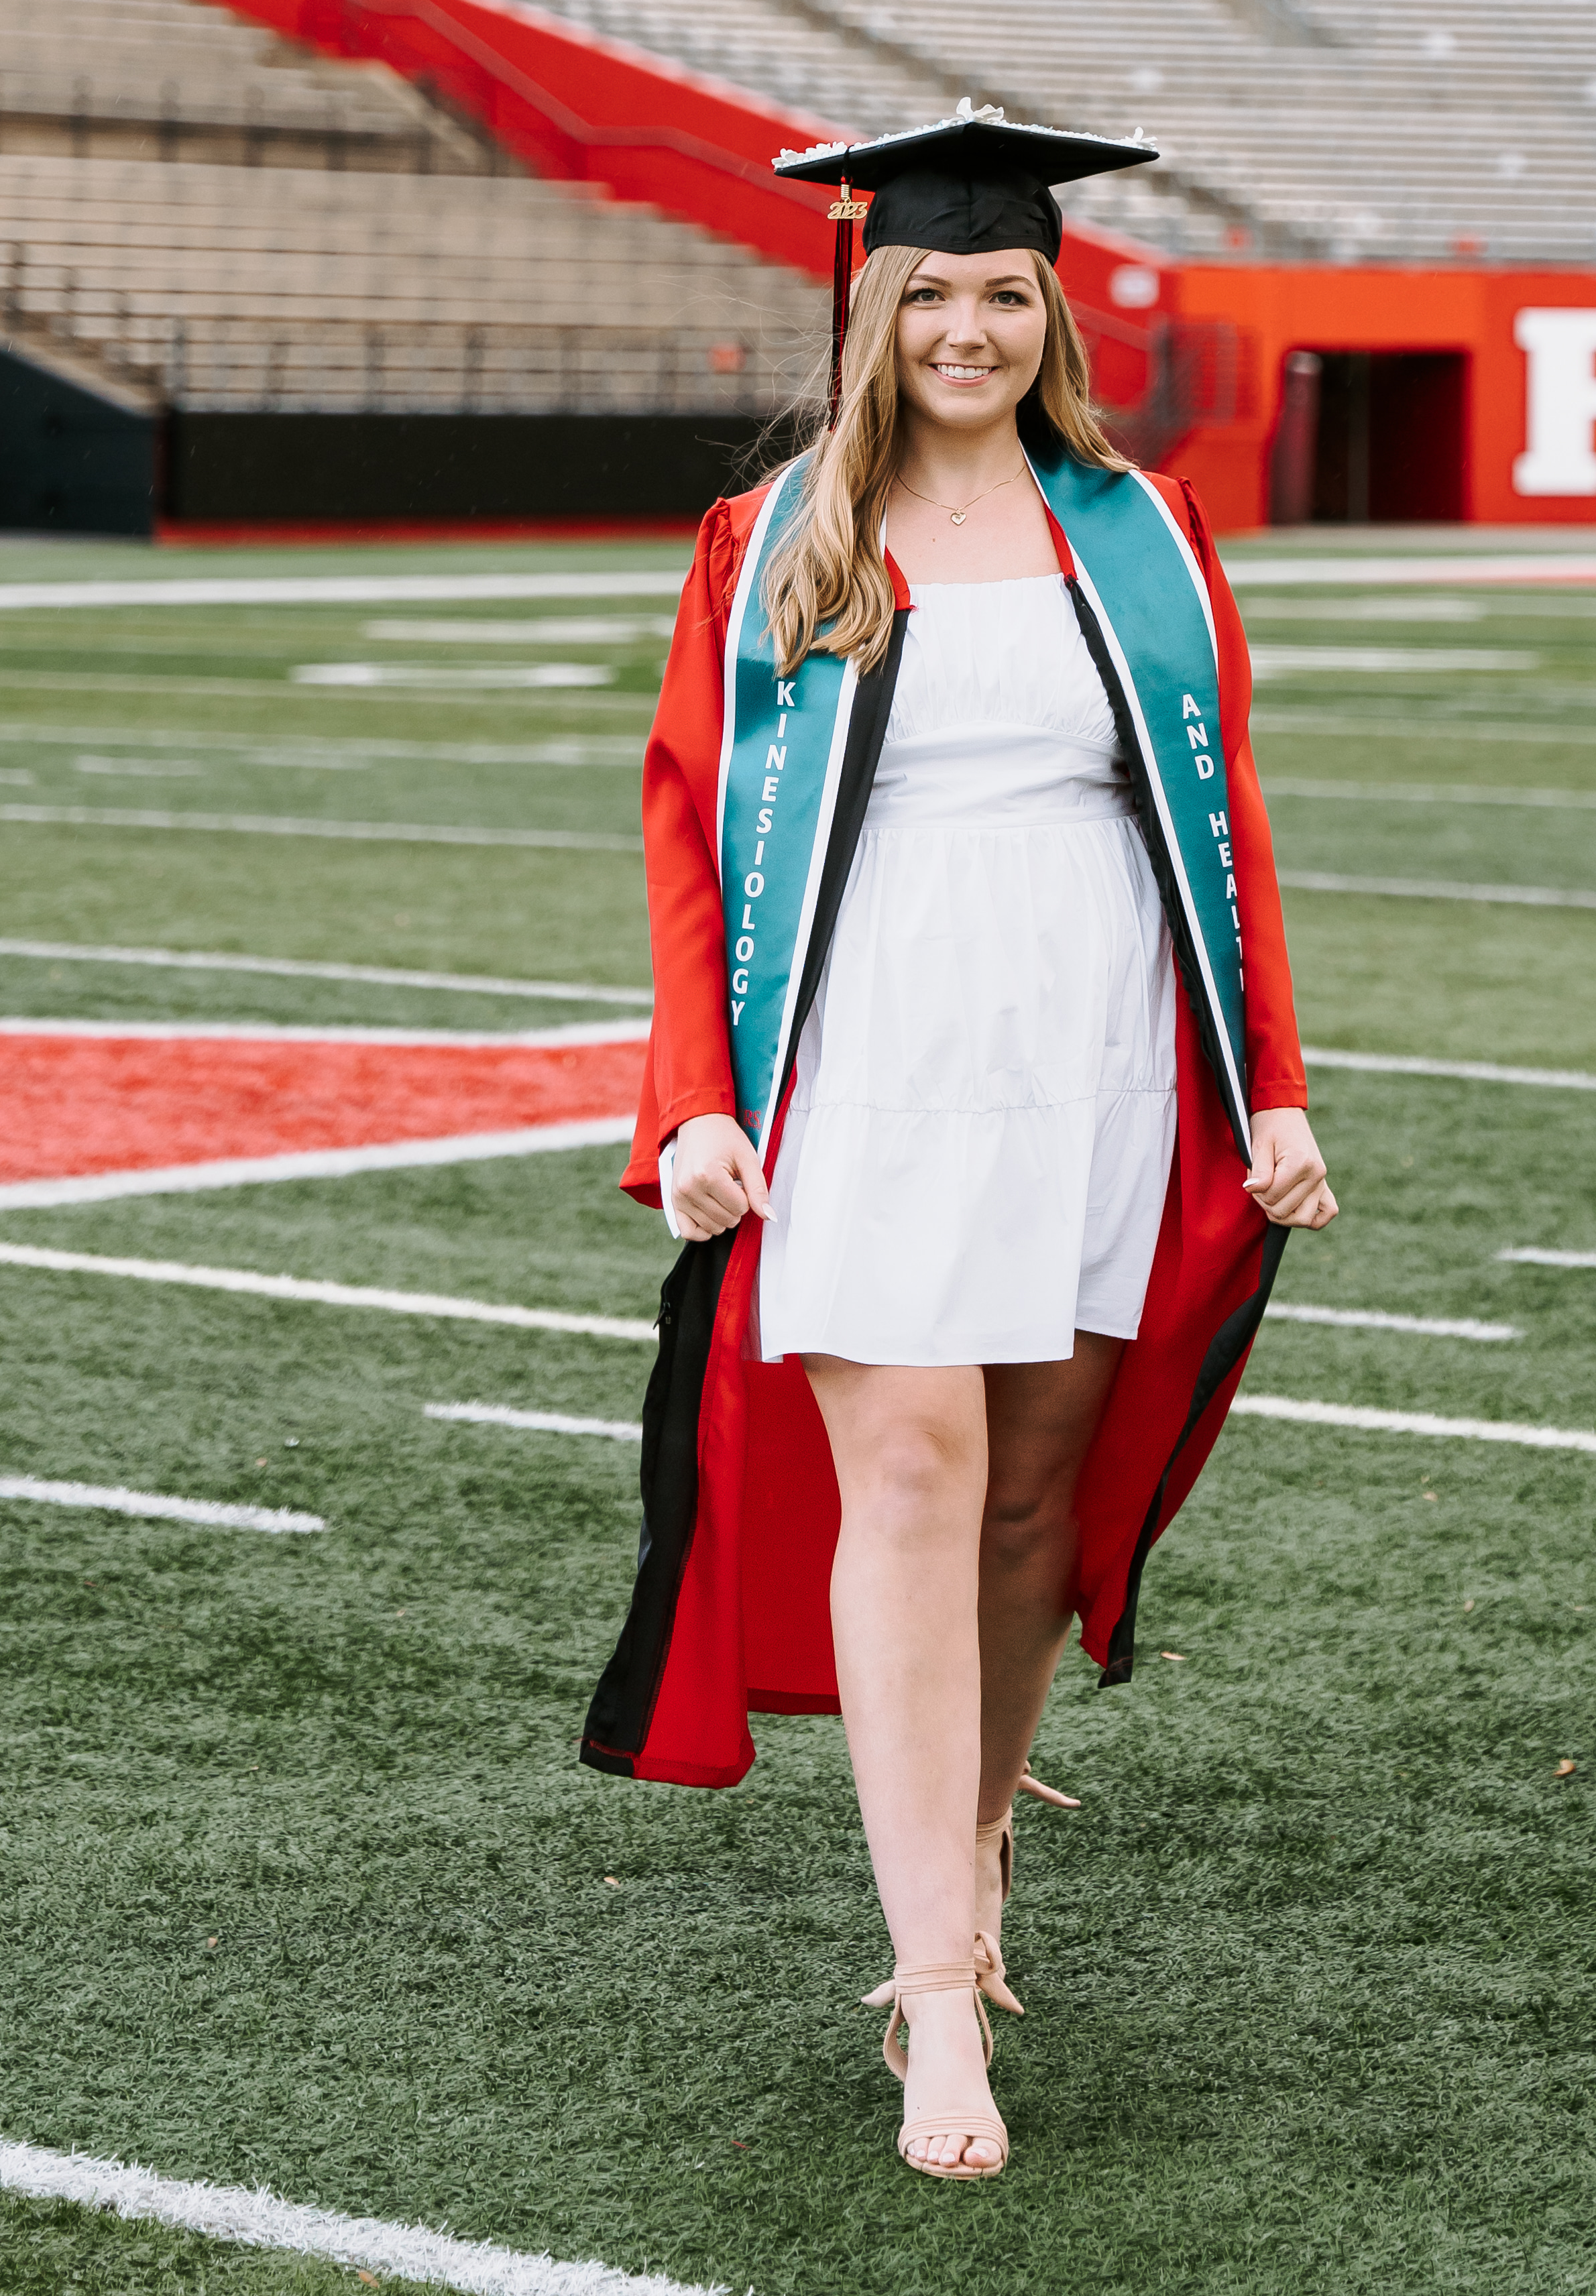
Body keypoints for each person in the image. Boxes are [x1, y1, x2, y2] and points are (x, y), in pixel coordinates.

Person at [583, 109, 1336, 2183]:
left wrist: (1268, 1083)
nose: (970, 326)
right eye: (933, 290)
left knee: (1030, 1503)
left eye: (1006, 290)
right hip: (869, 1050)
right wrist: (695, 1100)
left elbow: (1225, 818)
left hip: (1096, 1049)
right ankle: (931, 1992)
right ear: (871, 308)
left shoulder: (1147, 533)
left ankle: (984, 1849)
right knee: (906, 1472)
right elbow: (680, 818)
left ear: (1050, 309)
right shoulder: (776, 547)